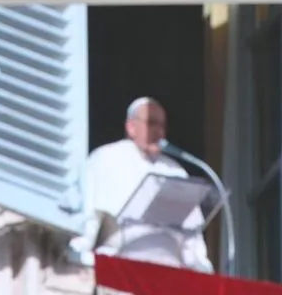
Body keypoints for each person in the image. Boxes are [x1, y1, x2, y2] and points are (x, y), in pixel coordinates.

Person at [69, 97, 212, 272]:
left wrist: (200, 264)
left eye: (163, 126)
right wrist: (82, 249)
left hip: (172, 268)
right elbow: (89, 217)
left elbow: (191, 233)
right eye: (152, 123)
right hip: (123, 260)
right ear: (131, 127)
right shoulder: (107, 158)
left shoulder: (175, 171)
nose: (159, 131)